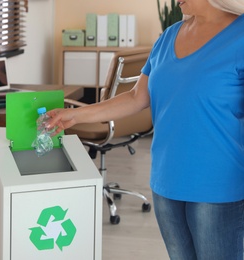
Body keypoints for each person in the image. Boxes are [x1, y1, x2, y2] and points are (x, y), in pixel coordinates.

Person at [46, 0, 244, 259]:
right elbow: (137, 97)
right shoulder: (169, 36)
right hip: (166, 182)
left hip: (217, 186)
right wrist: (75, 115)